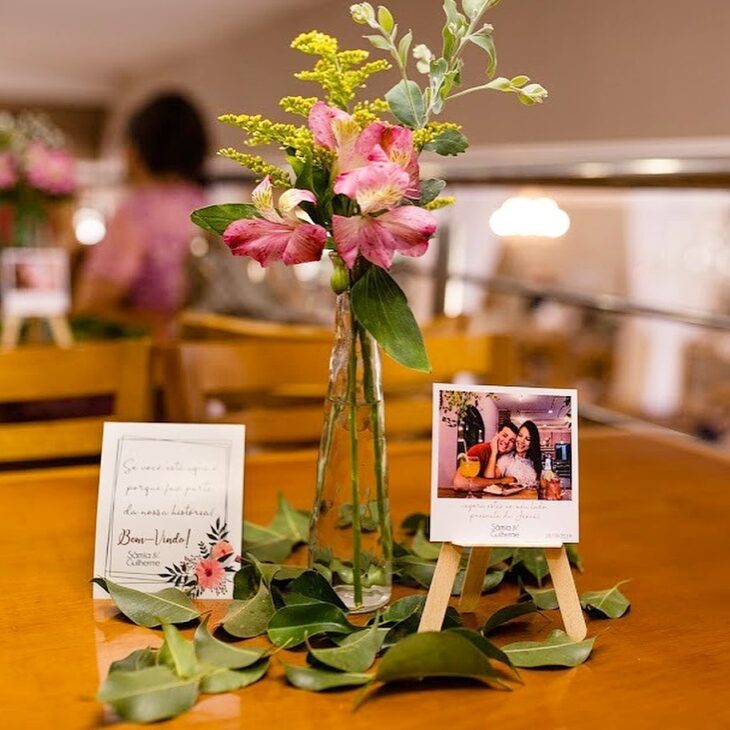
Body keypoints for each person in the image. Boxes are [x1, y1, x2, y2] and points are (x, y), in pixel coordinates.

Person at [75, 92, 208, 339]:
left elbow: (90, 307)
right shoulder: (217, 210)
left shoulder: (137, 215)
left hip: (161, 362)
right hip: (227, 358)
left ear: (133, 152)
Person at [452, 421, 518, 491]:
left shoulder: (511, 456)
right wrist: (502, 481)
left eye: (512, 441)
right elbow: (459, 484)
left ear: (514, 446)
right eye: (504, 435)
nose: (506, 441)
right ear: (497, 434)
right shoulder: (479, 450)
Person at [487, 420, 543, 488]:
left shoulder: (533, 461)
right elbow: (489, 482)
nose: (522, 441)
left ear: (532, 443)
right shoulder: (507, 458)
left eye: (527, 439)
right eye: (520, 435)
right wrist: (494, 453)